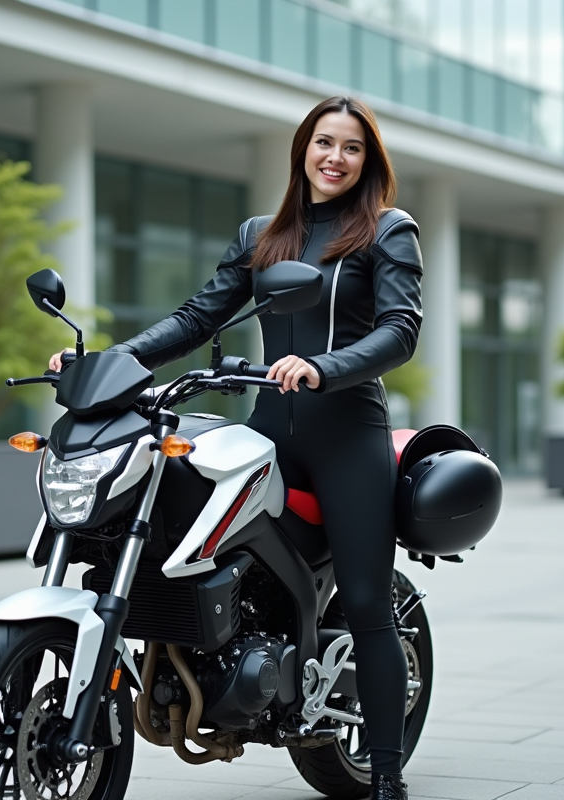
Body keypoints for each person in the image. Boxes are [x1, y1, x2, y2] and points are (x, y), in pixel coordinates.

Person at [50, 95, 422, 800]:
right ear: (301, 150)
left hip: (347, 436)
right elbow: (197, 317)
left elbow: (400, 331)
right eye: (323, 143)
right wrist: (107, 363)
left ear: (367, 161)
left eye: (351, 148)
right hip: (269, 430)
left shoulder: (387, 231)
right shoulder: (263, 233)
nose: (334, 158)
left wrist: (324, 367)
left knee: (370, 601)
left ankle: (388, 777)